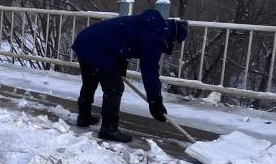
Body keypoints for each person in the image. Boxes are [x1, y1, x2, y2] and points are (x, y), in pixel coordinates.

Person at [71, 9, 190, 143]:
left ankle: (84, 117)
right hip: (97, 46)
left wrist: (119, 67)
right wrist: (155, 102)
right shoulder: (156, 36)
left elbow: (122, 40)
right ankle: (108, 129)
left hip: (86, 40)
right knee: (114, 88)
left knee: (90, 81)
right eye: (177, 42)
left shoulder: (151, 25)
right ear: (174, 37)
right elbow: (150, 72)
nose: (176, 46)